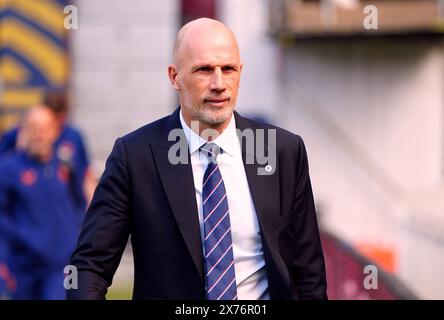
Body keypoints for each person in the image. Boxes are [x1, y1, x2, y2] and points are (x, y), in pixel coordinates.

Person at [68, 18, 327, 300]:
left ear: (240, 71)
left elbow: (308, 273)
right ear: (174, 76)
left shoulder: (282, 151)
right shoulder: (135, 157)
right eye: (204, 69)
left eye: (227, 69)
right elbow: (90, 268)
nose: (219, 84)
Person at [0, 106, 83, 299]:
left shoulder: (66, 166)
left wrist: (74, 238)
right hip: (23, 267)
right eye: (34, 128)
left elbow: (79, 202)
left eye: (45, 128)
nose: (39, 134)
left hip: (60, 267)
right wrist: (23, 240)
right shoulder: (8, 168)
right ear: (23, 131)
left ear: (55, 131)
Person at [0, 90, 96, 210]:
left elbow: (86, 175)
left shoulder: (73, 136)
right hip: (29, 197)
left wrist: (89, 212)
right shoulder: (22, 132)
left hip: (62, 199)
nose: (40, 134)